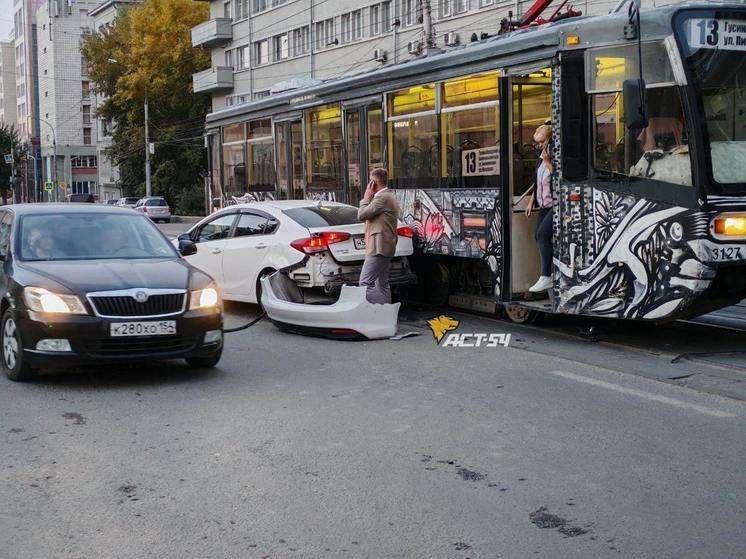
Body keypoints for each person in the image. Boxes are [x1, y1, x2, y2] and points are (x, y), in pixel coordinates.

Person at [357, 168, 400, 304]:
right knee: (382, 284)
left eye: (370, 181)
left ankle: (373, 314)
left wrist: (366, 198)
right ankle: (385, 315)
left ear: (374, 183)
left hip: (378, 247)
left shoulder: (382, 197)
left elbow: (361, 215)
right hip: (384, 246)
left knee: (364, 283)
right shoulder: (388, 196)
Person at [525, 124, 554, 293]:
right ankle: (546, 274)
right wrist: (531, 202)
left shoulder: (551, 156)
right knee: (538, 235)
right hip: (543, 205)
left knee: (543, 234)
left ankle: (546, 276)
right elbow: (537, 182)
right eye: (538, 143)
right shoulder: (540, 158)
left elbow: (558, 177)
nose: (539, 145)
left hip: (555, 205)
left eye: (542, 142)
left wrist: (548, 161)